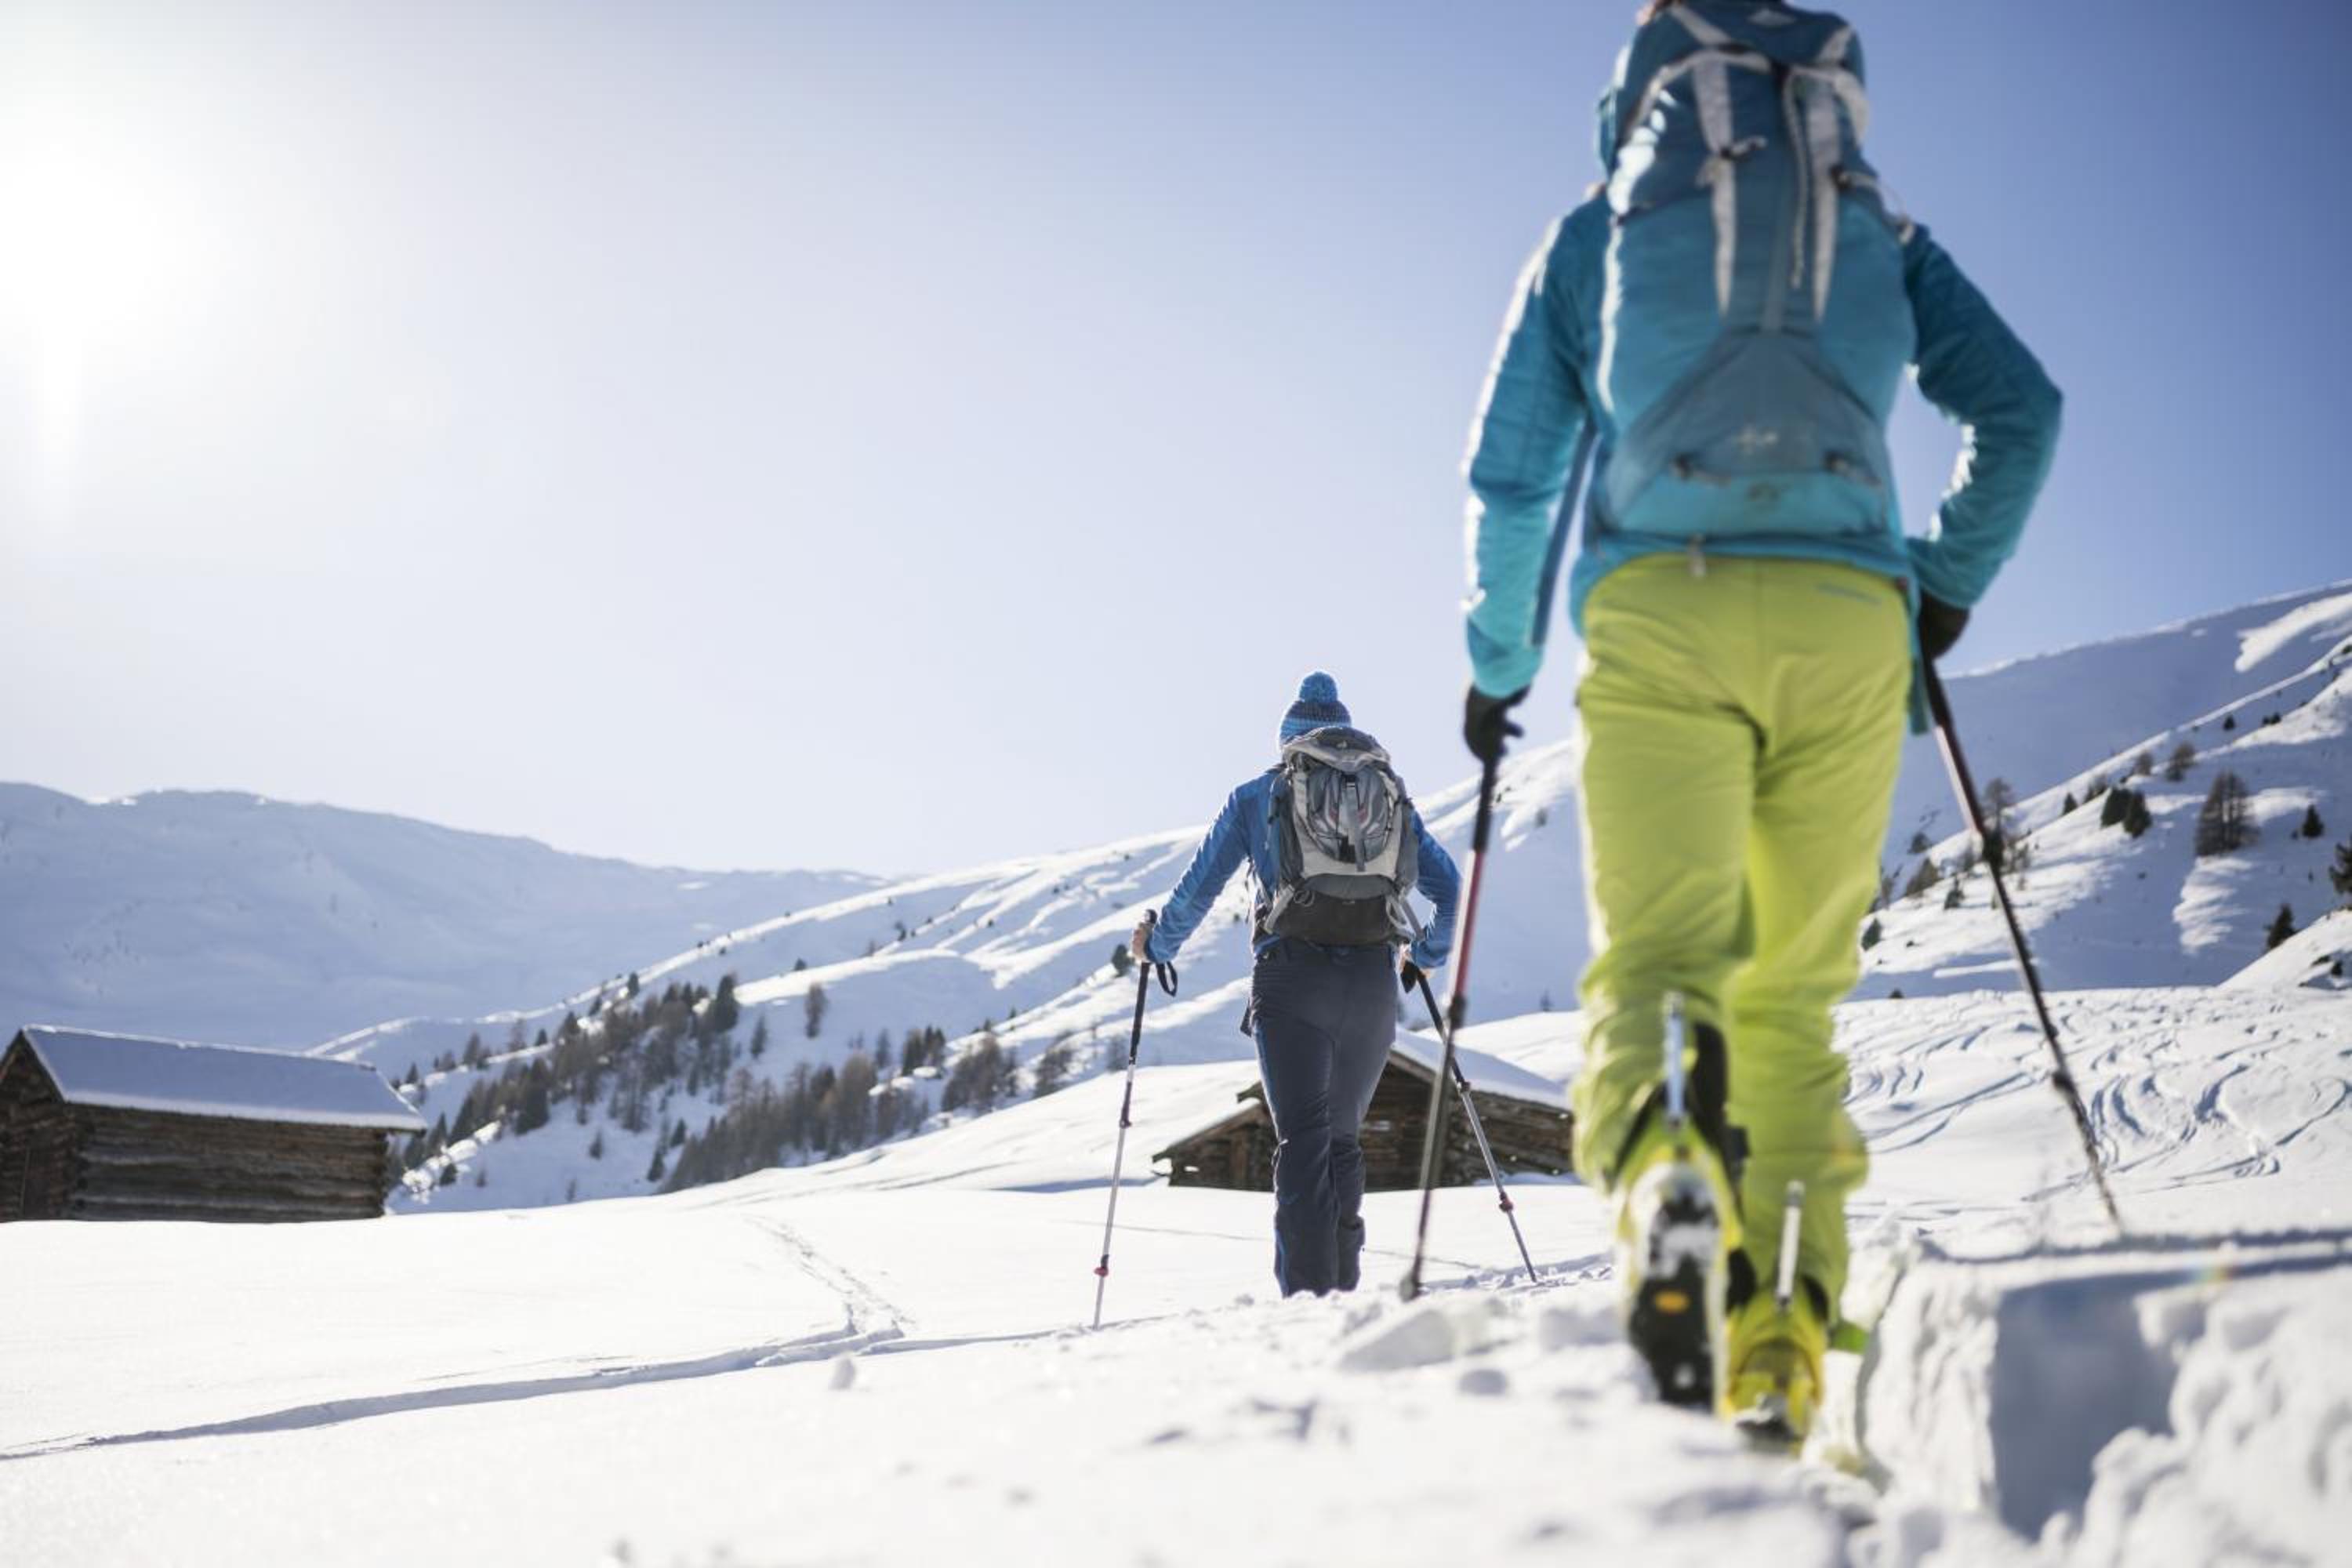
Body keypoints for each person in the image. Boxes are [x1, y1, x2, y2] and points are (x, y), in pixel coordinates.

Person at [1457, 0, 2060, 1436]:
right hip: (1847, 620)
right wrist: (1942, 591)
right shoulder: (1877, 225)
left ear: (1647, 89)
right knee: (1788, 997)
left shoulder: (1604, 227)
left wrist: (1498, 663)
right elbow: (2021, 413)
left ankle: (1667, 1168)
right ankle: (1784, 1322)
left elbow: (1517, 473)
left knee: (1661, 959)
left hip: (1661, 608)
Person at [1131, 673, 1462, 1297]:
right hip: (1372, 982)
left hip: (1292, 978)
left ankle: (1308, 1304)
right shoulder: (1387, 797)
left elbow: (1198, 891)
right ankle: (1343, 1297)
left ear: (1289, 743)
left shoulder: (1261, 794)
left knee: (1303, 1142)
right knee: (1343, 1141)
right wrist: (1424, 955)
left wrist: (1157, 946)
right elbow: (1450, 890)